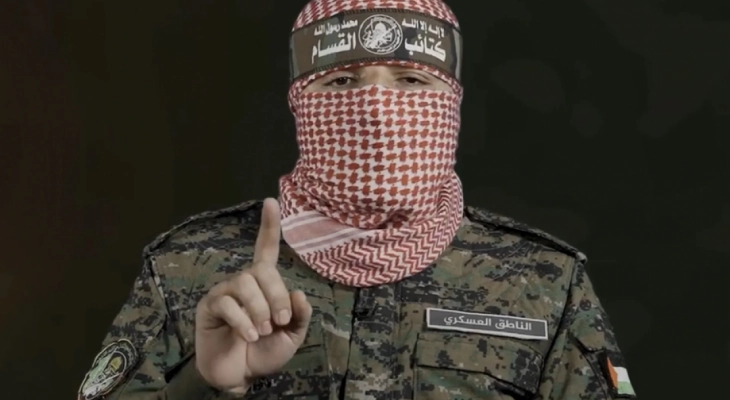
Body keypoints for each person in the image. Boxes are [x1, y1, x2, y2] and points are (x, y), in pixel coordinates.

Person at [77, 0, 637, 399]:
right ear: (299, 103)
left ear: (452, 103)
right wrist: (205, 385)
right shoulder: (186, 269)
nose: (375, 108)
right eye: (341, 82)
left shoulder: (544, 283)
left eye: (411, 81)